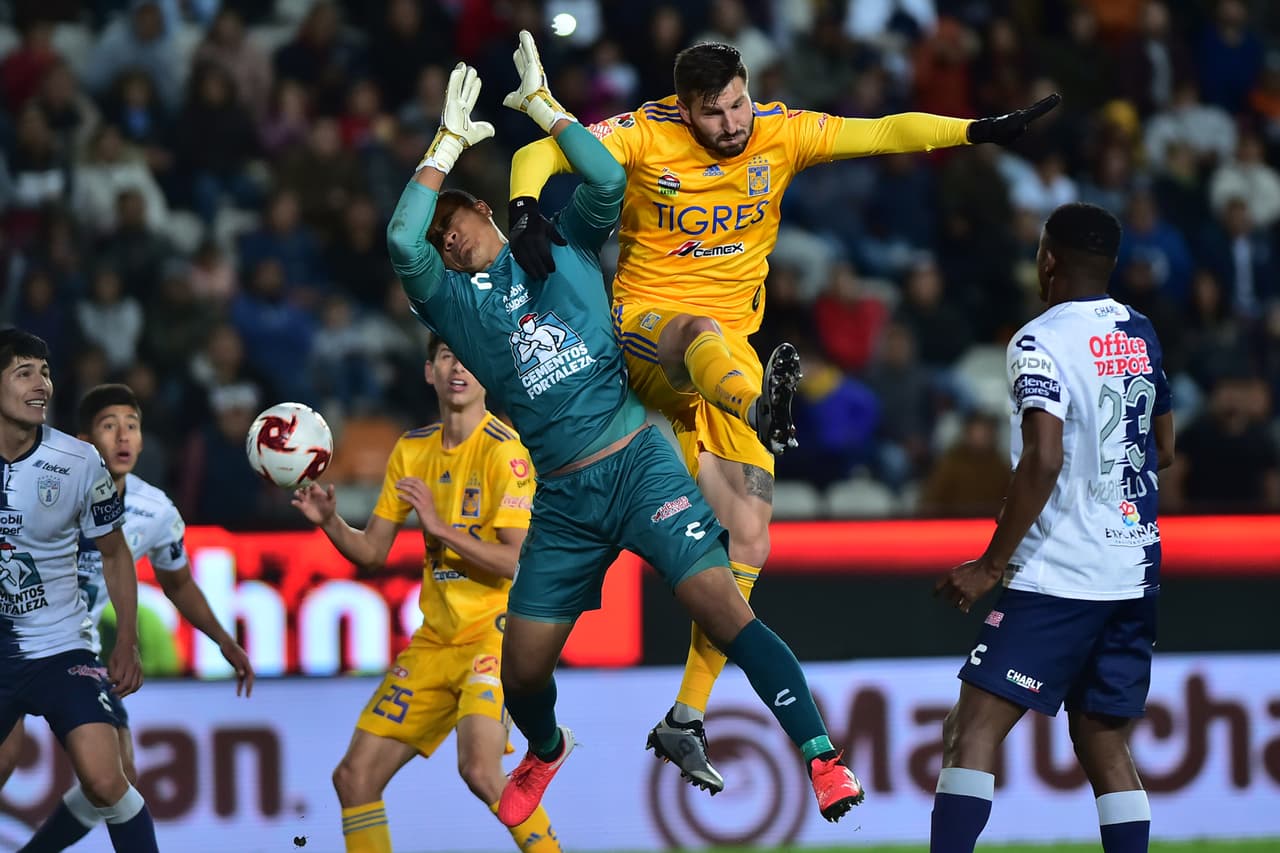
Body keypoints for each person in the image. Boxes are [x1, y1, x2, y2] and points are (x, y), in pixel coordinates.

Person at [506, 40, 1061, 790]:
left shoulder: (779, 130)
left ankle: (684, 717)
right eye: (715, 111)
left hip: (732, 354)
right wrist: (525, 210)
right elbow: (544, 151)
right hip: (650, 334)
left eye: (738, 102)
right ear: (684, 107)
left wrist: (976, 129)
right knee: (697, 335)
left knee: (751, 540)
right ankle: (759, 404)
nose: (733, 122)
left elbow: (884, 130)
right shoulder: (642, 132)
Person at [386, 37, 863, 829]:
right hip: (566, 499)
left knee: (723, 608)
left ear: (481, 209)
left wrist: (547, 114)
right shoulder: (456, 310)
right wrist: (442, 147)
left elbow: (607, 175)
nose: (446, 241)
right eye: (442, 242)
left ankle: (820, 753)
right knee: (523, 670)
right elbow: (402, 241)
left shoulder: (562, 244)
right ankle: (545, 748)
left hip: (638, 462)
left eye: (454, 223)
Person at [931, 203, 1176, 853]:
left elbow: (1043, 457)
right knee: (1103, 739)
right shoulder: (1141, 330)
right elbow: (1166, 446)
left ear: (1048, 260)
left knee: (972, 728)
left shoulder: (1037, 340)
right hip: (1134, 567)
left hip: (1061, 570)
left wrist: (988, 564)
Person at [291, 339, 560, 853]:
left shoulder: (506, 450)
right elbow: (371, 552)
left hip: (493, 635)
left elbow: (515, 561)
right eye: (445, 357)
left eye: (468, 356)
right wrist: (330, 521)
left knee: (481, 771)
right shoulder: (412, 450)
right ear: (428, 372)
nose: (458, 365)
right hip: (434, 642)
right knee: (354, 779)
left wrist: (438, 526)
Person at [5, 382, 254, 852]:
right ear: (83, 441)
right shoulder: (40, 484)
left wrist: (223, 639)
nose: (123, 437)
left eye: (132, 426)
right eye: (109, 425)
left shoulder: (153, 510)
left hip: (71, 650)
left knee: (116, 777)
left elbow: (178, 582)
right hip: (12, 642)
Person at [0, 330, 158, 853]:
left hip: (61, 647)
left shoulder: (78, 461)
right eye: (24, 372)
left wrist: (126, 639)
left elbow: (114, 553)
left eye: (45, 372)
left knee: (108, 779)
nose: (41, 383)